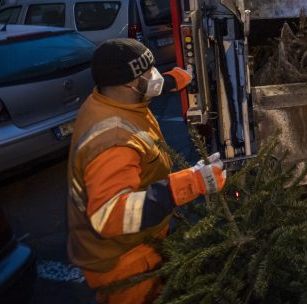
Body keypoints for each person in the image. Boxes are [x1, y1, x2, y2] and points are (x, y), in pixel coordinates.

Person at [67, 39, 227, 304]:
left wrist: (175, 79)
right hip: (123, 261)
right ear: (127, 84)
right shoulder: (113, 140)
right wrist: (193, 182)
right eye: (147, 74)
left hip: (138, 245)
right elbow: (109, 215)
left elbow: (150, 86)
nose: (153, 76)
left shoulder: (109, 99)